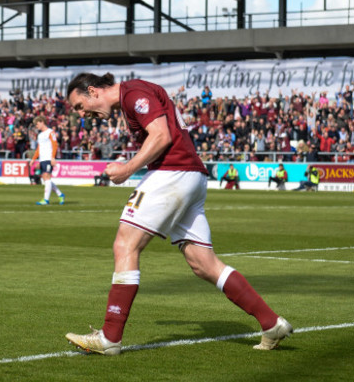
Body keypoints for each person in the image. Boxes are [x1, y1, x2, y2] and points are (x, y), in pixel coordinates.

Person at [64, 72, 292, 355]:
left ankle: (110, 337)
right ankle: (271, 323)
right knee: (203, 263)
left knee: (125, 244)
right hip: (190, 176)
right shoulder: (133, 96)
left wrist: (126, 168)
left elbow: (161, 135)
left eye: (79, 106)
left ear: (93, 91)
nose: (82, 114)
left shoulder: (133, 94)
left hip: (173, 173)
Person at [29, 116, 65, 205]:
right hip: (42, 159)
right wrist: (34, 159)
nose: (36, 126)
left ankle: (46, 200)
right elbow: (39, 148)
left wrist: (53, 157)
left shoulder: (50, 132)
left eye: (37, 124)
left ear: (42, 122)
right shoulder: (40, 135)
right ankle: (60, 194)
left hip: (49, 158)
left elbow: (55, 145)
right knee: (45, 178)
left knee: (47, 177)